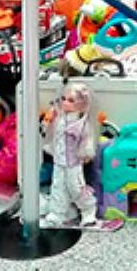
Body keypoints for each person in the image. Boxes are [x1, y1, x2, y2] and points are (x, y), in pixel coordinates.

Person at [41, 82, 98, 228]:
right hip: (59, 160)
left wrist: (86, 152)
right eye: (64, 99)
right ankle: (57, 213)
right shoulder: (60, 118)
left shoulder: (81, 122)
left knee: (76, 187)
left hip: (73, 162)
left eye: (71, 100)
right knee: (58, 187)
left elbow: (87, 139)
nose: (65, 103)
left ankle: (88, 210)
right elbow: (52, 135)